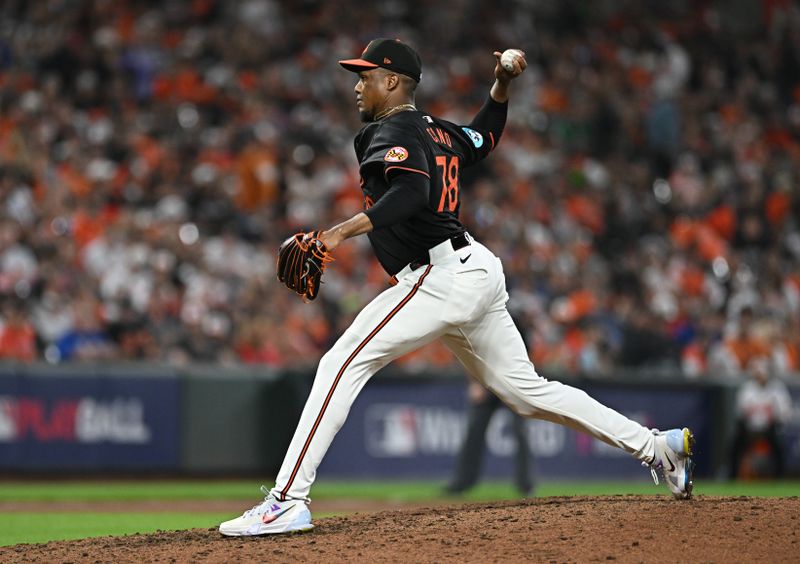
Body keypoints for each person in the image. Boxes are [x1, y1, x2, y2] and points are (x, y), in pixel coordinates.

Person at [219, 38, 695, 537]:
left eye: (365, 76)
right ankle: (656, 447)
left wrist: (336, 232)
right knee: (526, 393)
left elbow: (410, 192)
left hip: (439, 275)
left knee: (341, 362)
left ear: (393, 81)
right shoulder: (436, 131)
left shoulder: (395, 127)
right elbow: (485, 136)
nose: (357, 86)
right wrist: (502, 85)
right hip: (474, 269)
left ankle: (287, 499)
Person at [444, 381, 534, 497]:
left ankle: (526, 485)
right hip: (488, 383)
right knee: (475, 431)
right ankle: (461, 482)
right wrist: (475, 382)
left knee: (521, 432)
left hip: (513, 384)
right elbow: (474, 362)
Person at [728, 356, 792, 479]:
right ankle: (732, 475)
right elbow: (740, 411)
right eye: (758, 373)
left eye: (762, 373)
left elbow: (785, 412)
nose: (760, 376)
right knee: (735, 445)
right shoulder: (747, 388)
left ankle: (780, 477)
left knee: (780, 446)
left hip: (770, 428)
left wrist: (775, 416)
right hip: (750, 428)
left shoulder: (777, 388)